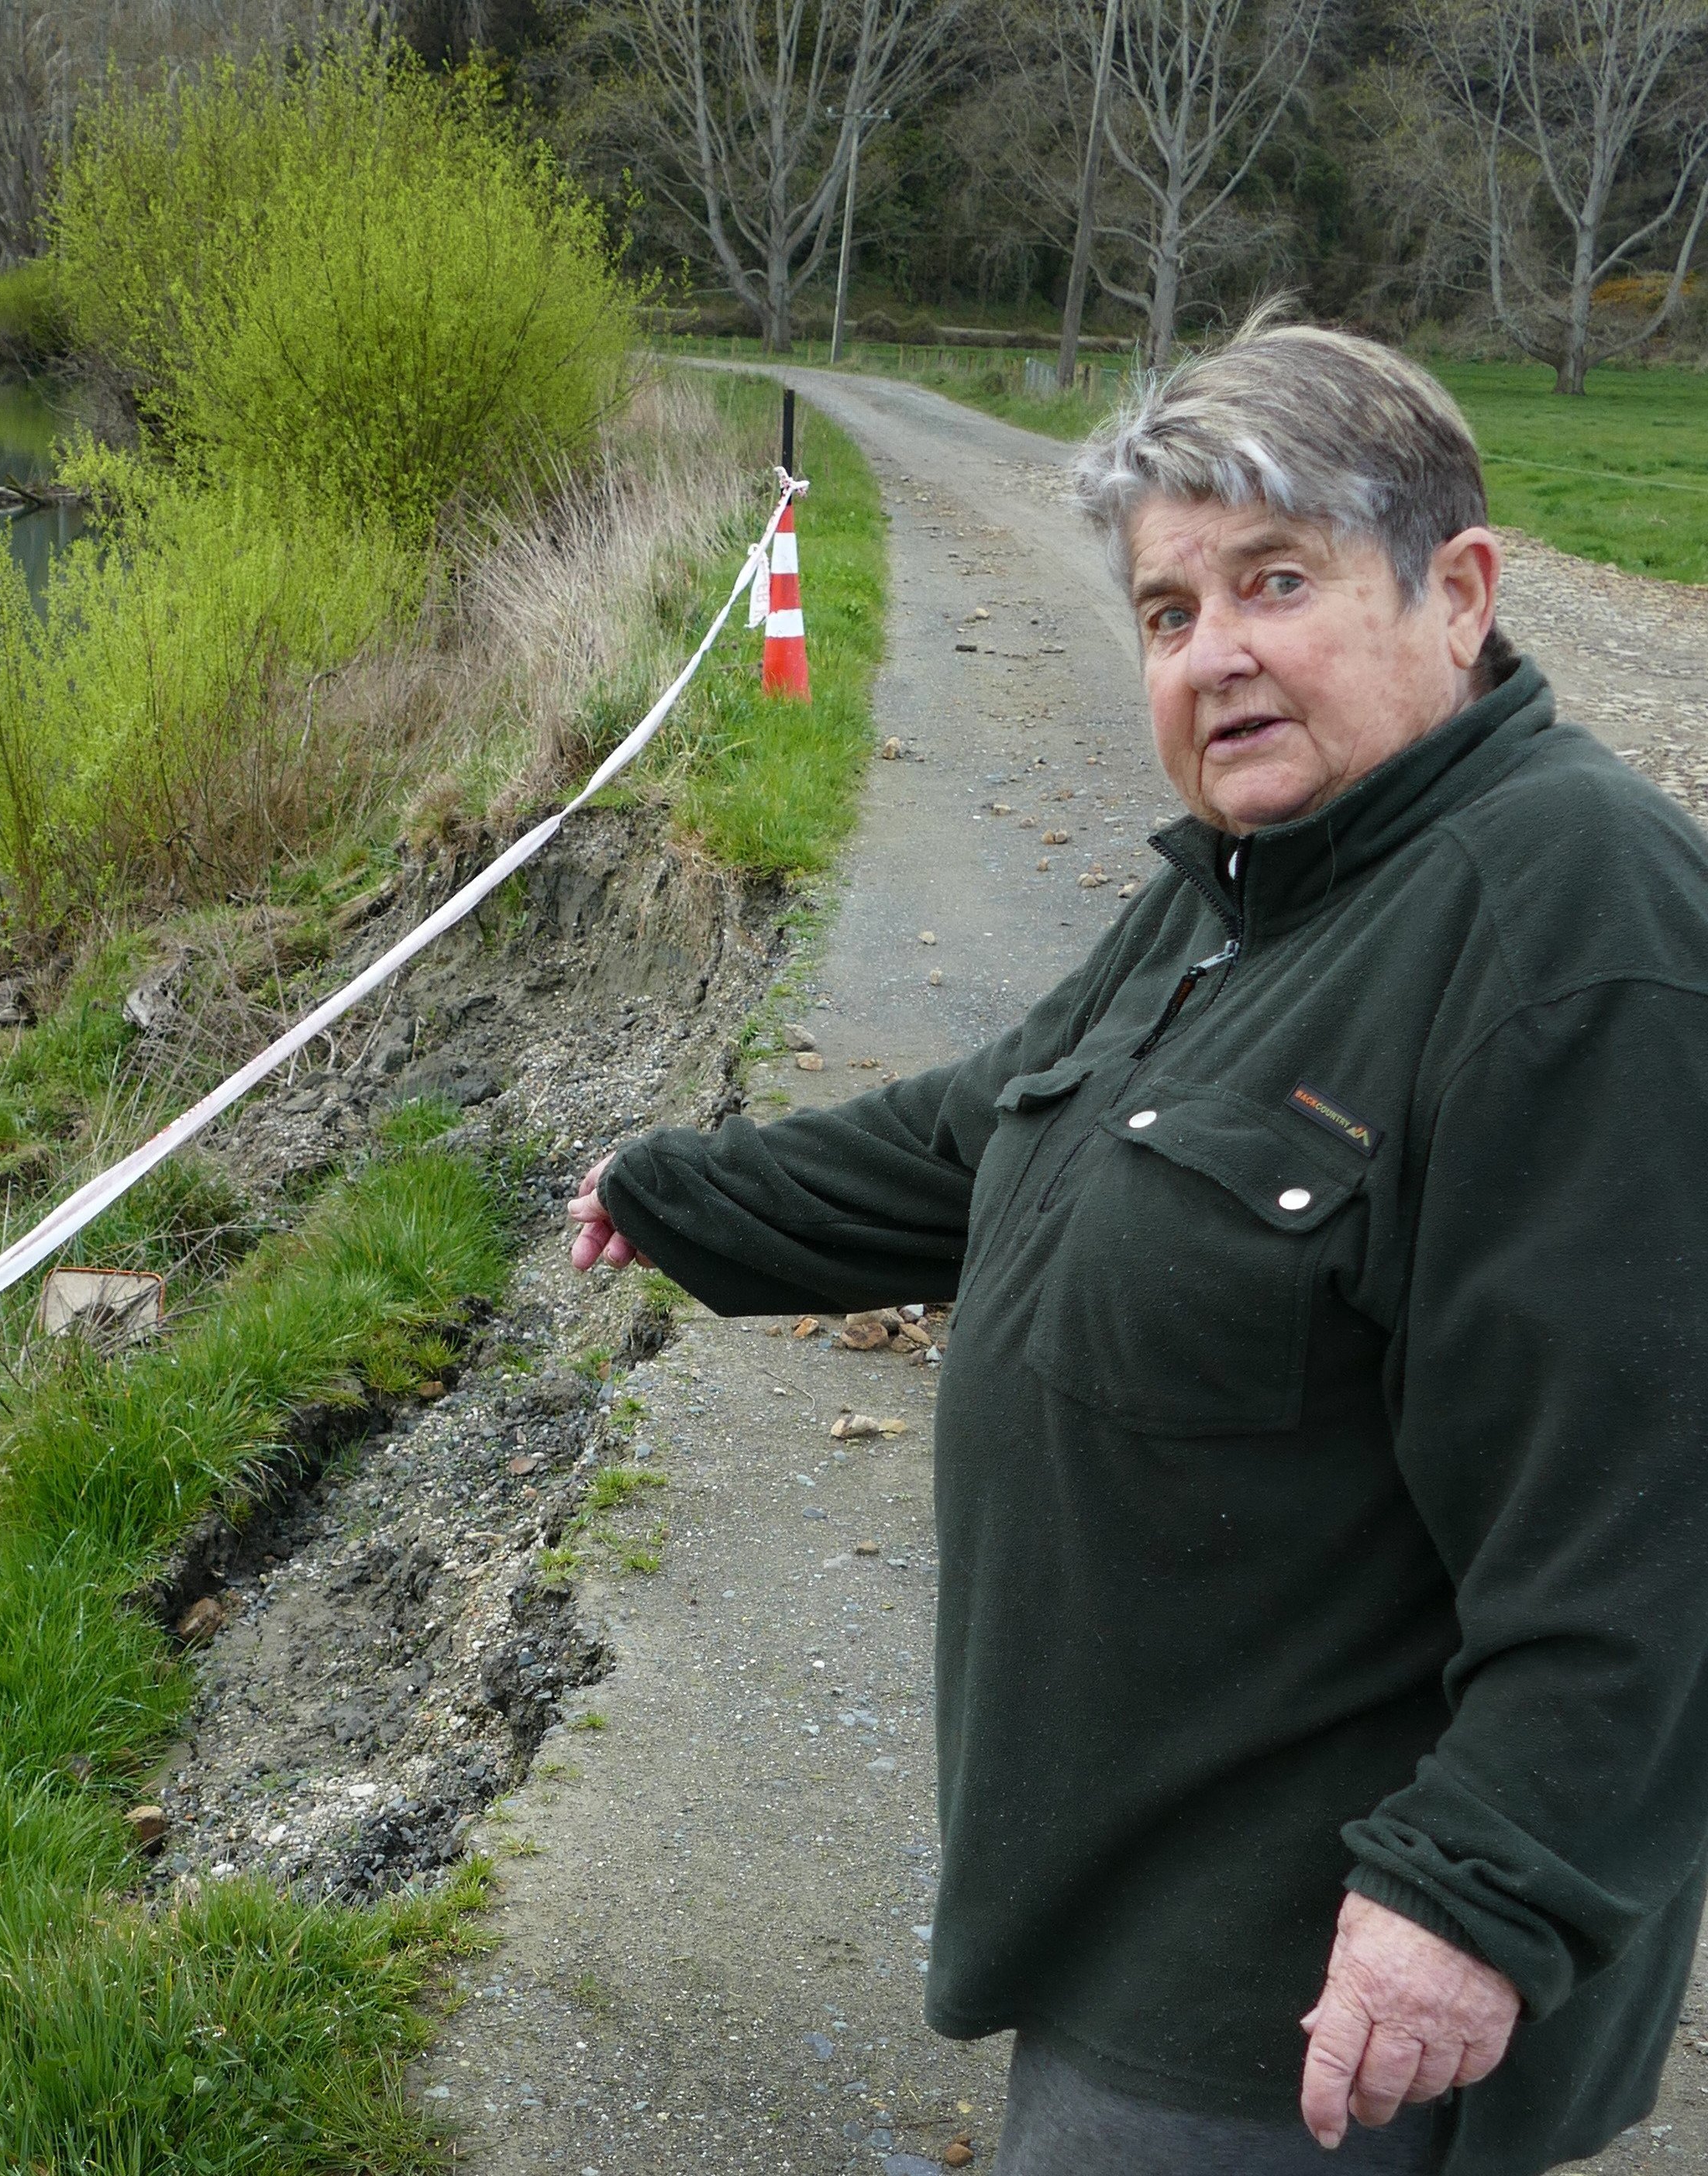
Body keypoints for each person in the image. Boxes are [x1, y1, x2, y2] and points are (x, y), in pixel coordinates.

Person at [565, 313, 1708, 2175]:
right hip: (1132, 1899)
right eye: (1171, 613)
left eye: (1277, 581)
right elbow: (1000, 1127)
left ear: (1461, 592)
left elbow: (1654, 1508)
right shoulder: (1263, 888)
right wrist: (691, 1196)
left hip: (1300, 2002)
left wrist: (1475, 1903)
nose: (1216, 653)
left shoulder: (1574, 928)